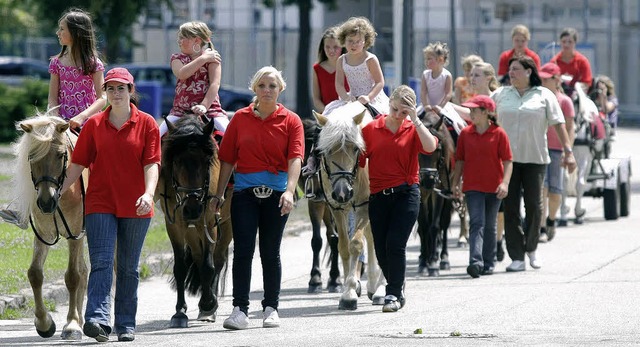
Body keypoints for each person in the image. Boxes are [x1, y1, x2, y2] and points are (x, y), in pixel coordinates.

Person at [59, 67, 161, 342]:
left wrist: (149, 194)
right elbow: (78, 163)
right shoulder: (93, 125)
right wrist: (61, 189)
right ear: (105, 93)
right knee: (102, 262)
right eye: (110, 88)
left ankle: (126, 323)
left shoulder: (148, 124)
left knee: (127, 266)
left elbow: (152, 163)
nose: (116, 93)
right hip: (101, 201)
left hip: (136, 205)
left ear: (131, 91)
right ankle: (97, 320)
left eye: (121, 88)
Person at [214, 66, 304, 330]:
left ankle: (270, 308)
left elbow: (295, 158)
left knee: (270, 252)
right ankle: (239, 309)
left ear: (280, 90)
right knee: (242, 251)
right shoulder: (240, 119)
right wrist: (219, 194)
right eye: (262, 85)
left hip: (277, 195)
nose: (267, 90)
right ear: (254, 88)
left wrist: (290, 190)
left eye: (272, 86)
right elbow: (227, 158)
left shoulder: (291, 121)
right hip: (244, 195)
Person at [0, 7, 106, 229]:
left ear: (76, 33)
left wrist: (82, 116)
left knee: (103, 158)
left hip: (87, 122)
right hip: (59, 123)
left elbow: (102, 97)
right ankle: (23, 209)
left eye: (62, 29)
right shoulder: (57, 62)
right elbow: (52, 97)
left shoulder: (93, 63)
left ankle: (101, 207)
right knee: (35, 153)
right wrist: (54, 119)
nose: (58, 33)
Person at [491, 56, 576, 272]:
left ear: (529, 72)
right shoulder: (500, 94)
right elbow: (480, 112)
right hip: (507, 161)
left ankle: (531, 248)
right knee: (509, 209)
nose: (511, 73)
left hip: (535, 159)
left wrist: (568, 152)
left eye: (516, 69)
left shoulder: (545, 95)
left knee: (535, 207)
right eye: (510, 69)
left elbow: (559, 125)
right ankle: (517, 257)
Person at [361, 85, 438, 312]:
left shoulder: (412, 128)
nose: (397, 115)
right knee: (382, 248)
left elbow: (431, 146)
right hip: (378, 196)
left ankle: (393, 293)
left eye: (403, 112)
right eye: (394, 109)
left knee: (395, 243)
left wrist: (415, 120)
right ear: (389, 103)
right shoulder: (370, 129)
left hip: (406, 193)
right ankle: (397, 282)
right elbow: (359, 161)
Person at [451, 95, 512, 278]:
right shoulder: (465, 134)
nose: (471, 114)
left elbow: (508, 161)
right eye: (470, 111)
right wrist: (455, 183)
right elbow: (460, 161)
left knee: (490, 225)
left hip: (494, 187)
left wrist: (505, 183)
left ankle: (489, 262)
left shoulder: (499, 133)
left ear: (486, 113)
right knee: (476, 222)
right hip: (472, 186)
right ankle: (475, 262)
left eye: (474, 111)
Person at [158, 21, 225, 137]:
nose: (179, 41)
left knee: (229, 135)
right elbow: (182, 74)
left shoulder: (213, 58)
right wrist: (203, 59)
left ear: (197, 40)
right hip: (180, 112)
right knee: (157, 135)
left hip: (210, 111)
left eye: (183, 37)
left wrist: (204, 106)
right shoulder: (177, 58)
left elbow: (215, 84)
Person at [303, 26, 349, 176]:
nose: (331, 50)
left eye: (335, 47)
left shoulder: (348, 66)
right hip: (327, 114)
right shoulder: (317, 68)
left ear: (342, 47)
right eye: (327, 47)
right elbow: (316, 98)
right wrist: (326, 113)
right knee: (316, 136)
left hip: (347, 113)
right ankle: (312, 166)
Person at [538, 63, 575, 243]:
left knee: (555, 190)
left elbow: (570, 128)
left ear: (556, 80)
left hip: (557, 149)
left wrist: (568, 151)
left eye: (547, 79)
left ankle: (551, 219)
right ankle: (542, 226)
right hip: (540, 148)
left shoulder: (565, 101)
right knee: (542, 189)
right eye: (541, 78)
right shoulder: (537, 98)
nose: (543, 81)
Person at [332, 16, 389, 116]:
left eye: (358, 41)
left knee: (383, 122)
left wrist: (368, 97)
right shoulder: (341, 60)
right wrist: (346, 97)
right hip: (352, 99)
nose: (354, 45)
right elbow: (339, 84)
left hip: (372, 98)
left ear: (365, 41)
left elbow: (379, 82)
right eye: (350, 41)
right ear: (344, 40)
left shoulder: (370, 59)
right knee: (329, 118)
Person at [550, 27, 593, 94]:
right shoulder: (554, 62)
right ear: (560, 42)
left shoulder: (582, 61)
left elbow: (586, 83)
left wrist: (576, 90)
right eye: (564, 42)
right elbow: (549, 81)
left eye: (570, 42)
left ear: (575, 43)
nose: (566, 45)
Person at [420, 41, 453, 114]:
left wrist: (440, 107)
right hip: (427, 107)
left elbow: (448, 94)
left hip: (443, 107)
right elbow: (423, 92)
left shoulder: (447, 75)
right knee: (412, 120)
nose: (426, 61)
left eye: (429, 59)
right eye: (426, 59)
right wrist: (426, 105)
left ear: (440, 59)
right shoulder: (425, 74)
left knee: (458, 123)